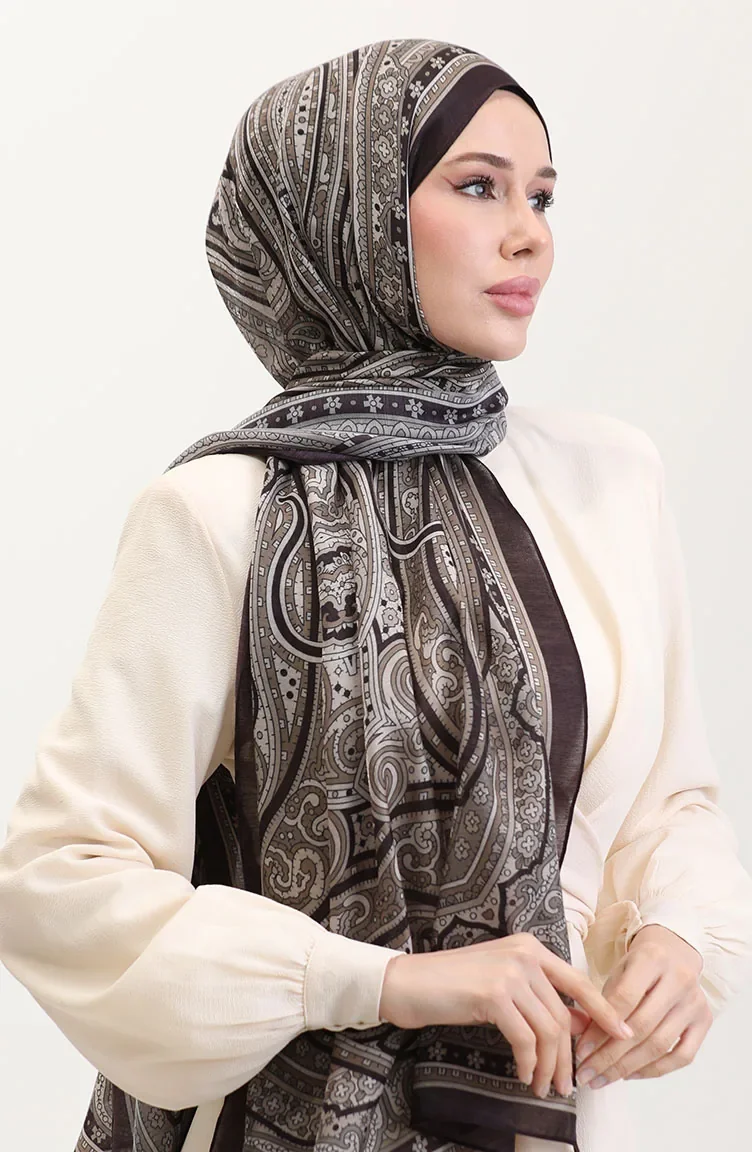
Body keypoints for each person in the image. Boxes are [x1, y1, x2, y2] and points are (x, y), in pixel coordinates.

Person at [0, 35, 750, 1152]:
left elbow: (666, 804)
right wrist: (387, 983)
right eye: (478, 186)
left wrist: (680, 936)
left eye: (541, 195)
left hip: (561, 1116)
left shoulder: (608, 482)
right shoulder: (219, 513)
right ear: (347, 219)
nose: (529, 233)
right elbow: (58, 883)